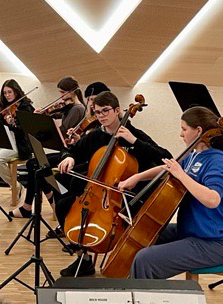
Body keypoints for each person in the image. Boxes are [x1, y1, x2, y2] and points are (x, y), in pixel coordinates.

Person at [53, 90, 170, 276]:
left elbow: (165, 157)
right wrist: (69, 157)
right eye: (97, 112)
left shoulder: (134, 134)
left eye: (105, 111)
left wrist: (134, 141)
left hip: (128, 196)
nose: (101, 116)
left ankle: (125, 260)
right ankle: (84, 259)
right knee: (62, 206)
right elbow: (71, 150)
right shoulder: (95, 136)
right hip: (97, 194)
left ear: (117, 110)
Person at [120, 107, 223, 279]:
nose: (181, 134)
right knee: (142, 233)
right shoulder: (194, 155)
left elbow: (213, 199)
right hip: (191, 230)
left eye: (184, 129)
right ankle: (136, 286)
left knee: (145, 259)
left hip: (214, 243)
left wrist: (181, 175)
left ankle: (142, 291)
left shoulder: (217, 161)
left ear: (198, 131)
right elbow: (167, 167)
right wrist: (137, 177)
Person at [0, 79, 34, 195]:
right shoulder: (7, 107)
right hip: (8, 142)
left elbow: (26, 131)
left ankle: (15, 185)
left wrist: (13, 124)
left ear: (16, 91)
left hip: (21, 145)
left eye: (9, 92)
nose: (7, 95)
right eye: (5, 93)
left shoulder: (26, 108)